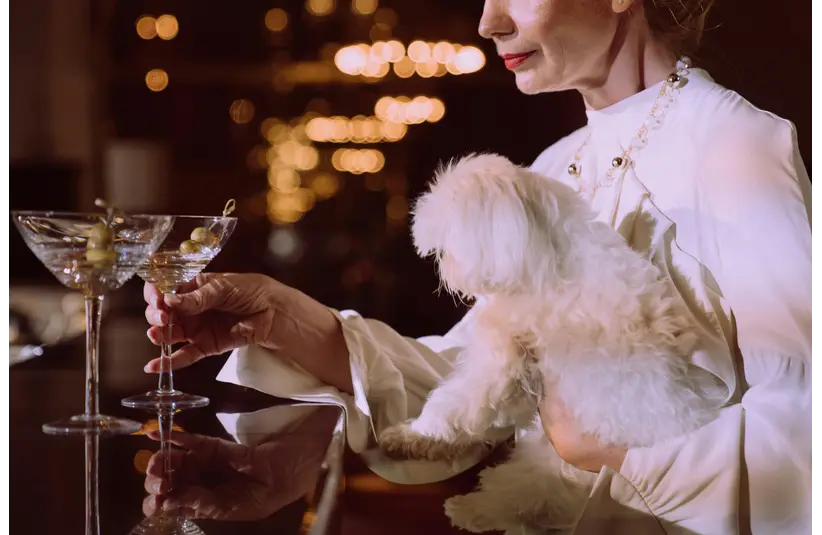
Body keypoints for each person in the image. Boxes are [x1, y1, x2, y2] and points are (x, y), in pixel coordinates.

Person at [142, 0, 814, 532]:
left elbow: (802, 443)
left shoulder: (738, 150)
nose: (488, 22)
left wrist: (613, 449)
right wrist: (281, 319)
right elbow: (469, 382)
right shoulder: (555, 166)